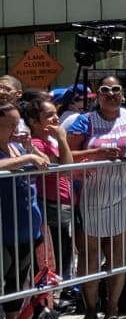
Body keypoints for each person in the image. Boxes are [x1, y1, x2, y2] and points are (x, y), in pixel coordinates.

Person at [65, 78, 126, 319]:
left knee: (117, 255)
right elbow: (68, 155)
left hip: (122, 194)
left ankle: (113, 307)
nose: (111, 94)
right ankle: (91, 309)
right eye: (105, 90)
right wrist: (97, 153)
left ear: (123, 95)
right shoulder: (84, 121)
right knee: (90, 257)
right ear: (97, 95)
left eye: (116, 90)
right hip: (91, 196)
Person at [0, 101, 47, 319]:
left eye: (16, 123)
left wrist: (30, 149)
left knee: (18, 280)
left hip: (28, 227)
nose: (14, 128)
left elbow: (44, 161)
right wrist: (27, 157)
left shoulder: (16, 146)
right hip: (5, 228)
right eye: (9, 124)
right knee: (6, 280)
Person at [22, 91, 74, 282]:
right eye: (49, 115)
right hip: (50, 205)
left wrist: (60, 140)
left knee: (63, 253)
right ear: (34, 122)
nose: (56, 118)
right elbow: (66, 168)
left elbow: (67, 166)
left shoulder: (47, 142)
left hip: (61, 203)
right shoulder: (36, 144)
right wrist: (62, 139)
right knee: (53, 257)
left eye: (56, 113)